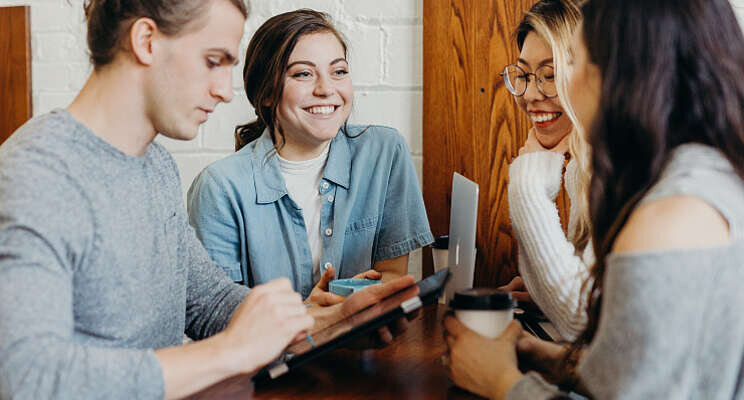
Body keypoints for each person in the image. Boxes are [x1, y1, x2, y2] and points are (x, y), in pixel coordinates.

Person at [0, 1, 416, 398]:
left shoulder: (154, 165)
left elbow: (208, 302)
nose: (223, 91)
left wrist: (326, 323)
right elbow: (27, 377)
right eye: (212, 61)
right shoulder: (36, 174)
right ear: (146, 41)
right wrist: (232, 351)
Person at [444, 0, 744, 398]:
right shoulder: (701, 177)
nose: (564, 85)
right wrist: (557, 362)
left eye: (575, 62)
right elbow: (648, 370)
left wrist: (501, 382)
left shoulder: (670, 216)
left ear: (623, 77)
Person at [187, 9, 433, 305]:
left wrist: (353, 303)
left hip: (364, 345)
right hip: (273, 351)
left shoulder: (384, 152)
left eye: (338, 71)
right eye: (303, 74)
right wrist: (311, 316)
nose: (326, 89)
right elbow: (219, 315)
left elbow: (393, 275)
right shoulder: (219, 188)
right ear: (266, 93)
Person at [500, 0, 591, 341]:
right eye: (522, 76)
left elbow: (582, 321)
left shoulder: (621, 169)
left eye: (550, 76)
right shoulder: (583, 168)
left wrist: (526, 186)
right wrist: (545, 291)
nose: (530, 95)